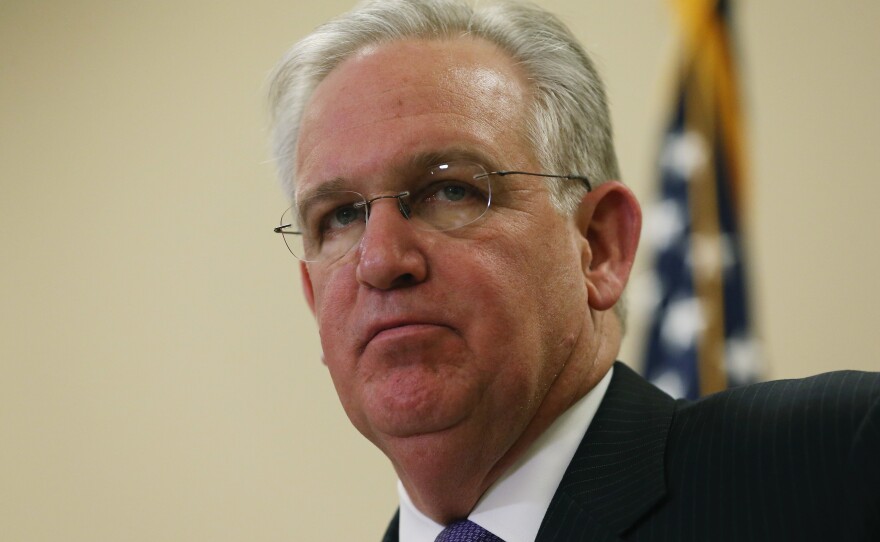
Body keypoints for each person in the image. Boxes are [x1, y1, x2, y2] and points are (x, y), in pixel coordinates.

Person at [267, 1, 880, 540]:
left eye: (450, 191)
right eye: (340, 216)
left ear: (599, 245)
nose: (380, 260)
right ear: (313, 299)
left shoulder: (841, 463)